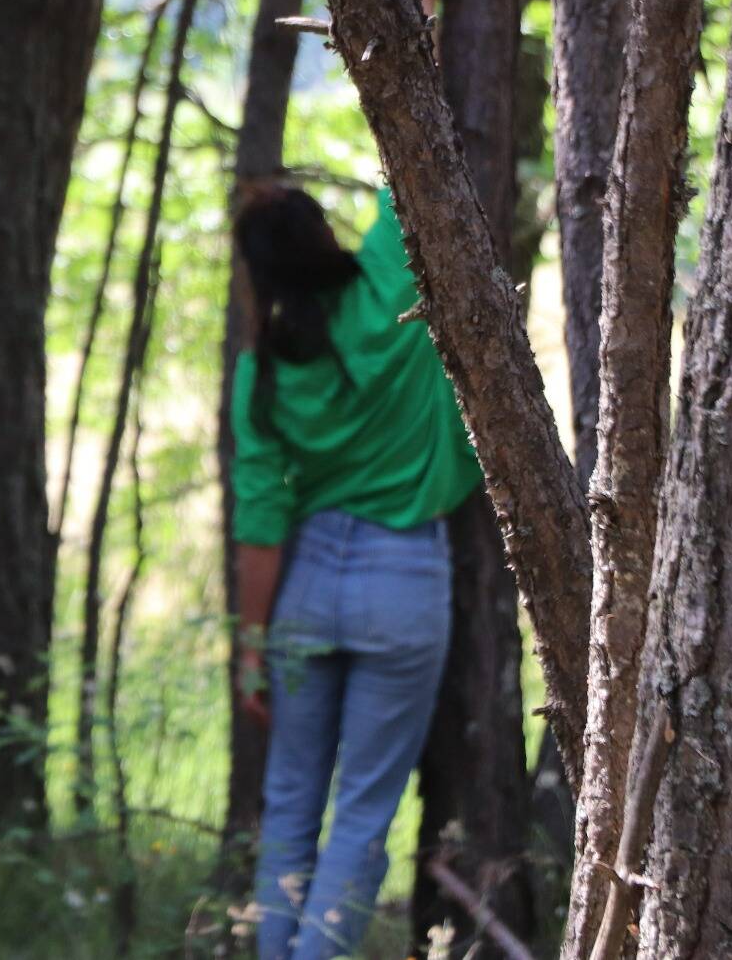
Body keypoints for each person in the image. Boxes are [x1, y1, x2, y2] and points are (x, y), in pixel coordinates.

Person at [231, 182, 481, 960]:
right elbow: (404, 182)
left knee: (290, 802)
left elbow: (262, 526)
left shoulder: (262, 372)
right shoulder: (389, 290)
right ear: (323, 237)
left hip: (306, 584)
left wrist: (250, 644)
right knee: (364, 813)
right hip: (403, 582)